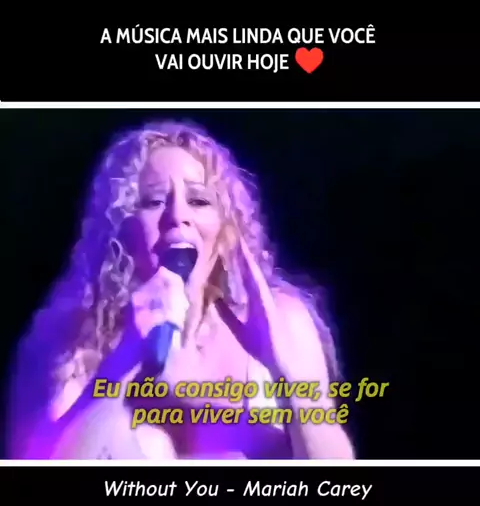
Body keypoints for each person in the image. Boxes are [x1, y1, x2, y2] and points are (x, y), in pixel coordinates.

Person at [7, 120, 354, 460]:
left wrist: (291, 378)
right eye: (154, 201)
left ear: (226, 231)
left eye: (199, 201)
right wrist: (124, 359)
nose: (178, 216)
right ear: (122, 230)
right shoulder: (76, 343)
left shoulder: (282, 321)